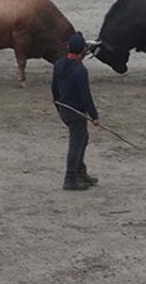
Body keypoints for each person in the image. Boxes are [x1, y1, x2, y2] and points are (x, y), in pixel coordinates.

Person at [52, 33, 100, 191]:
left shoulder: (58, 64)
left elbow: (54, 89)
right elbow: (86, 97)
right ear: (83, 52)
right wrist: (94, 116)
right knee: (76, 142)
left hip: (64, 110)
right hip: (76, 112)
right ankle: (70, 178)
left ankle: (80, 172)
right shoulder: (80, 70)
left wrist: (58, 108)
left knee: (83, 138)